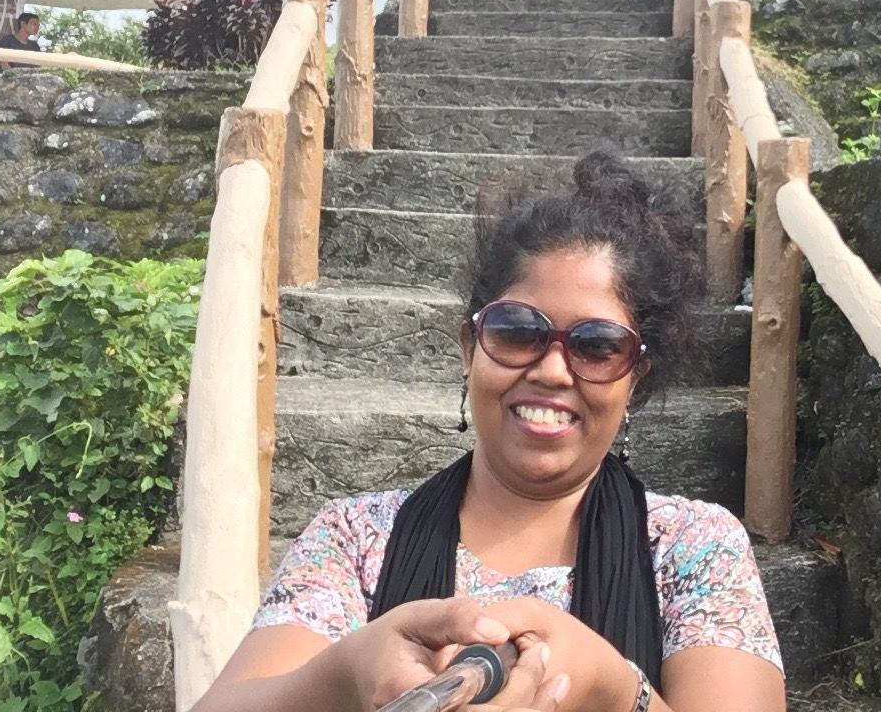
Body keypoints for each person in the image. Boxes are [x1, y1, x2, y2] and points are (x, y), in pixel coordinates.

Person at [193, 152, 786, 712]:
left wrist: (612, 690)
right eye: (517, 331)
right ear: (468, 348)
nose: (552, 370)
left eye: (599, 346)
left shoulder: (694, 548)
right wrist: (345, 672)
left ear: (636, 378)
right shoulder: (353, 539)